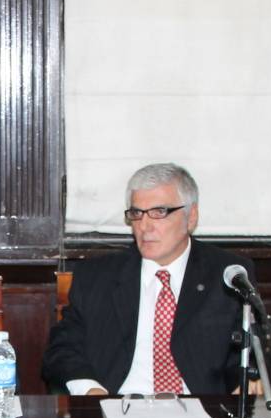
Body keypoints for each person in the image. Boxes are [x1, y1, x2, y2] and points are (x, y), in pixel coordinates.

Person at [43, 163, 257, 396]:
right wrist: (90, 390)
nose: (145, 226)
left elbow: (246, 352)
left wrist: (244, 380)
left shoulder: (227, 274)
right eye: (136, 213)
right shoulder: (97, 277)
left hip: (201, 411)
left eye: (159, 212)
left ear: (191, 216)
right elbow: (62, 350)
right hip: (118, 407)